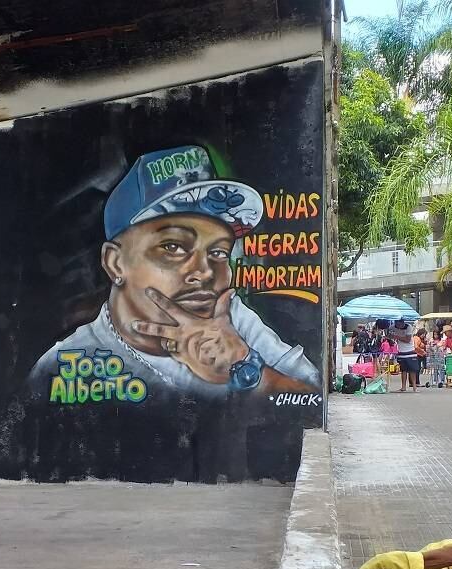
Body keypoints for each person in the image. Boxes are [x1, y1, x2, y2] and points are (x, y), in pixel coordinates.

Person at [29, 146, 320, 399]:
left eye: (218, 252)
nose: (205, 272)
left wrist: (247, 368)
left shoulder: (231, 319)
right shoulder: (64, 364)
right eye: (173, 246)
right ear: (116, 262)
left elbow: (314, 402)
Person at [390, 319, 419, 393]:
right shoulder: (393, 327)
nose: (398, 325)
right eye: (397, 323)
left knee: (412, 370)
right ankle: (403, 387)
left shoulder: (408, 327)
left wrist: (396, 336)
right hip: (401, 352)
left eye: (400, 323)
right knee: (403, 370)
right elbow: (388, 334)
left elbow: (407, 339)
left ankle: (414, 387)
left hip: (410, 351)